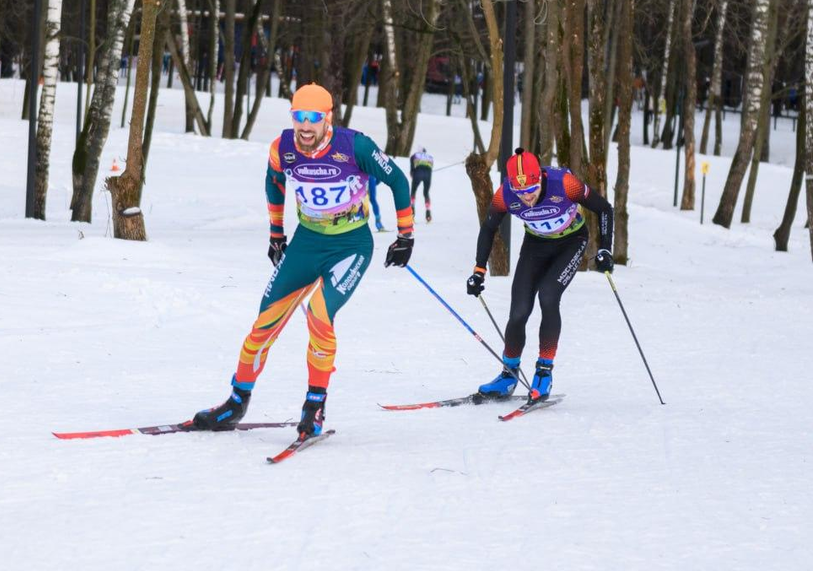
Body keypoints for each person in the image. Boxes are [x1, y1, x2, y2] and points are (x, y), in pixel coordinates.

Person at [192, 83, 414, 436]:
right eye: (298, 117)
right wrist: (276, 233)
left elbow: (398, 180)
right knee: (261, 327)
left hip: (351, 245)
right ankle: (236, 403)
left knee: (319, 314)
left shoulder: (355, 145)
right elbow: (274, 184)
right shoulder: (283, 147)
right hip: (305, 244)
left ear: (328, 118)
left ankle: (315, 405)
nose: (305, 126)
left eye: (313, 118)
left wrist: (406, 235)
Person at [465, 148, 614, 404]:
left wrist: (605, 249)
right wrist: (479, 270)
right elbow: (489, 227)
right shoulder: (505, 195)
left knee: (548, 296)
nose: (527, 198)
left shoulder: (564, 183)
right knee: (519, 311)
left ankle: (544, 372)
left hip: (572, 242)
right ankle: (508, 374)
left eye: (531, 190)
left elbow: (604, 209)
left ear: (541, 179)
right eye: (521, 193)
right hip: (536, 245)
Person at [410, 146, 434, 222]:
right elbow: (431, 167)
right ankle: (428, 214)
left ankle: (412, 212)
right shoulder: (429, 156)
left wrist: (412, 172)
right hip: (428, 175)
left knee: (413, 192)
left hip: (418, 173)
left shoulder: (415, 155)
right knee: (426, 193)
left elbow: (412, 166)